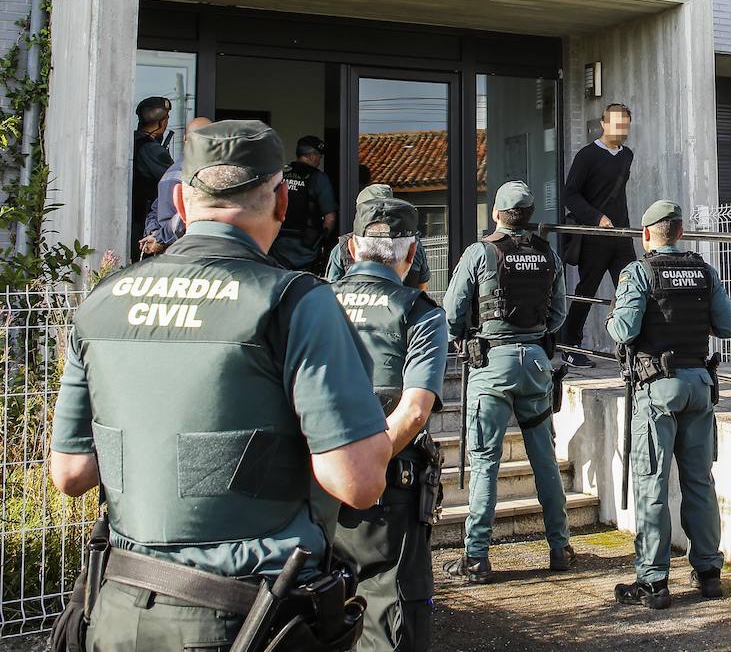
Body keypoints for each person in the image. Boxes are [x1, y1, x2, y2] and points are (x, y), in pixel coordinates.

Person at [48, 119, 391, 650]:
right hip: (247, 616)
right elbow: (358, 482)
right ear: (281, 201)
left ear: (181, 203)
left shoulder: (103, 300)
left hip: (117, 609)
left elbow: (70, 473)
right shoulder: (296, 301)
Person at [606, 200, 731, 610]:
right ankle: (709, 573)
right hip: (700, 384)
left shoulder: (639, 272)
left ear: (647, 234)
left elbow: (624, 329)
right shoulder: (704, 270)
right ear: (680, 232)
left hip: (657, 390)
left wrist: (614, 318)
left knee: (653, 483)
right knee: (700, 481)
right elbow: (728, 326)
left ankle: (653, 581)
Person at [442, 180, 574, 582]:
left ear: (497, 214)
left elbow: (452, 311)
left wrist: (465, 337)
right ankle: (561, 547)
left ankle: (477, 556)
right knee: (544, 459)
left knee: (484, 463)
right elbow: (559, 312)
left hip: (491, 366)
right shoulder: (546, 253)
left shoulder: (480, 252)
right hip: (535, 363)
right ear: (529, 216)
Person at [332, 196, 447, 652]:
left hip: (315, 482)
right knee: (392, 614)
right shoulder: (418, 311)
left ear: (352, 247)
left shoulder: (314, 301)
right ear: (413, 252)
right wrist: (366, 467)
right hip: (386, 488)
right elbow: (415, 411)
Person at [560, 103, 635, 369]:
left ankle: (633, 347)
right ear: (603, 123)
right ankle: (570, 345)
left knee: (631, 289)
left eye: (625, 123)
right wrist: (597, 218)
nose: (620, 128)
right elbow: (570, 194)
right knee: (587, 291)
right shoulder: (587, 155)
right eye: (615, 122)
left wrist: (619, 224)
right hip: (593, 237)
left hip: (622, 236)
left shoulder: (627, 155)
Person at [326, 184, 431, 291]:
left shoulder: (343, 248)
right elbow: (422, 287)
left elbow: (332, 291)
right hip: (403, 306)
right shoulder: (411, 244)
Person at [138, 115, 212, 257]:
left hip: (170, 249)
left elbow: (155, 209)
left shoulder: (173, 169)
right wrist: (160, 238)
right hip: (187, 250)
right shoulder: (205, 172)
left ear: (185, 139)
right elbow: (188, 213)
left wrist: (154, 234)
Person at [270, 134, 338, 274]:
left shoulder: (280, 174)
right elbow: (330, 218)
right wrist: (321, 241)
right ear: (312, 156)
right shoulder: (319, 178)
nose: (319, 161)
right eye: (319, 156)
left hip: (277, 243)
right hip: (306, 247)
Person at [131, 95, 174, 259]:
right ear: (162, 122)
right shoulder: (152, 149)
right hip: (145, 221)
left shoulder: (134, 141)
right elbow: (171, 181)